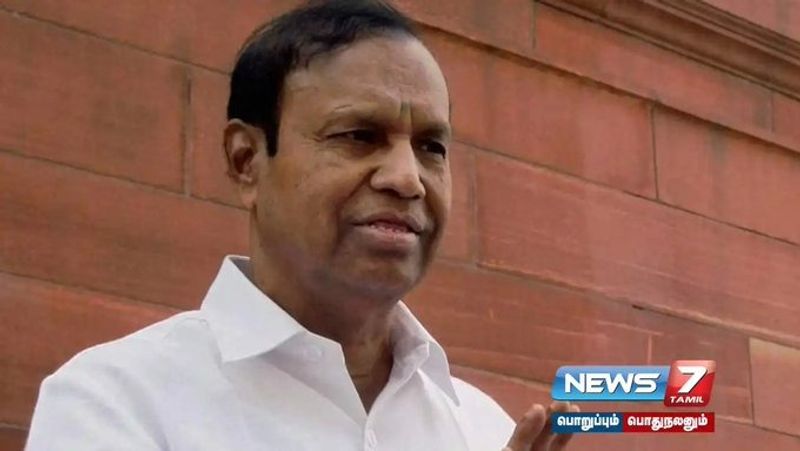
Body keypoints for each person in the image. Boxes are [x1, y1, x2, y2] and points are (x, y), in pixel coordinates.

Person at [25, 1, 578, 450]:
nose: (407, 178)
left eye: (431, 147)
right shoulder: (116, 402)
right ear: (246, 160)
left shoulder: (482, 428)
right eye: (358, 136)